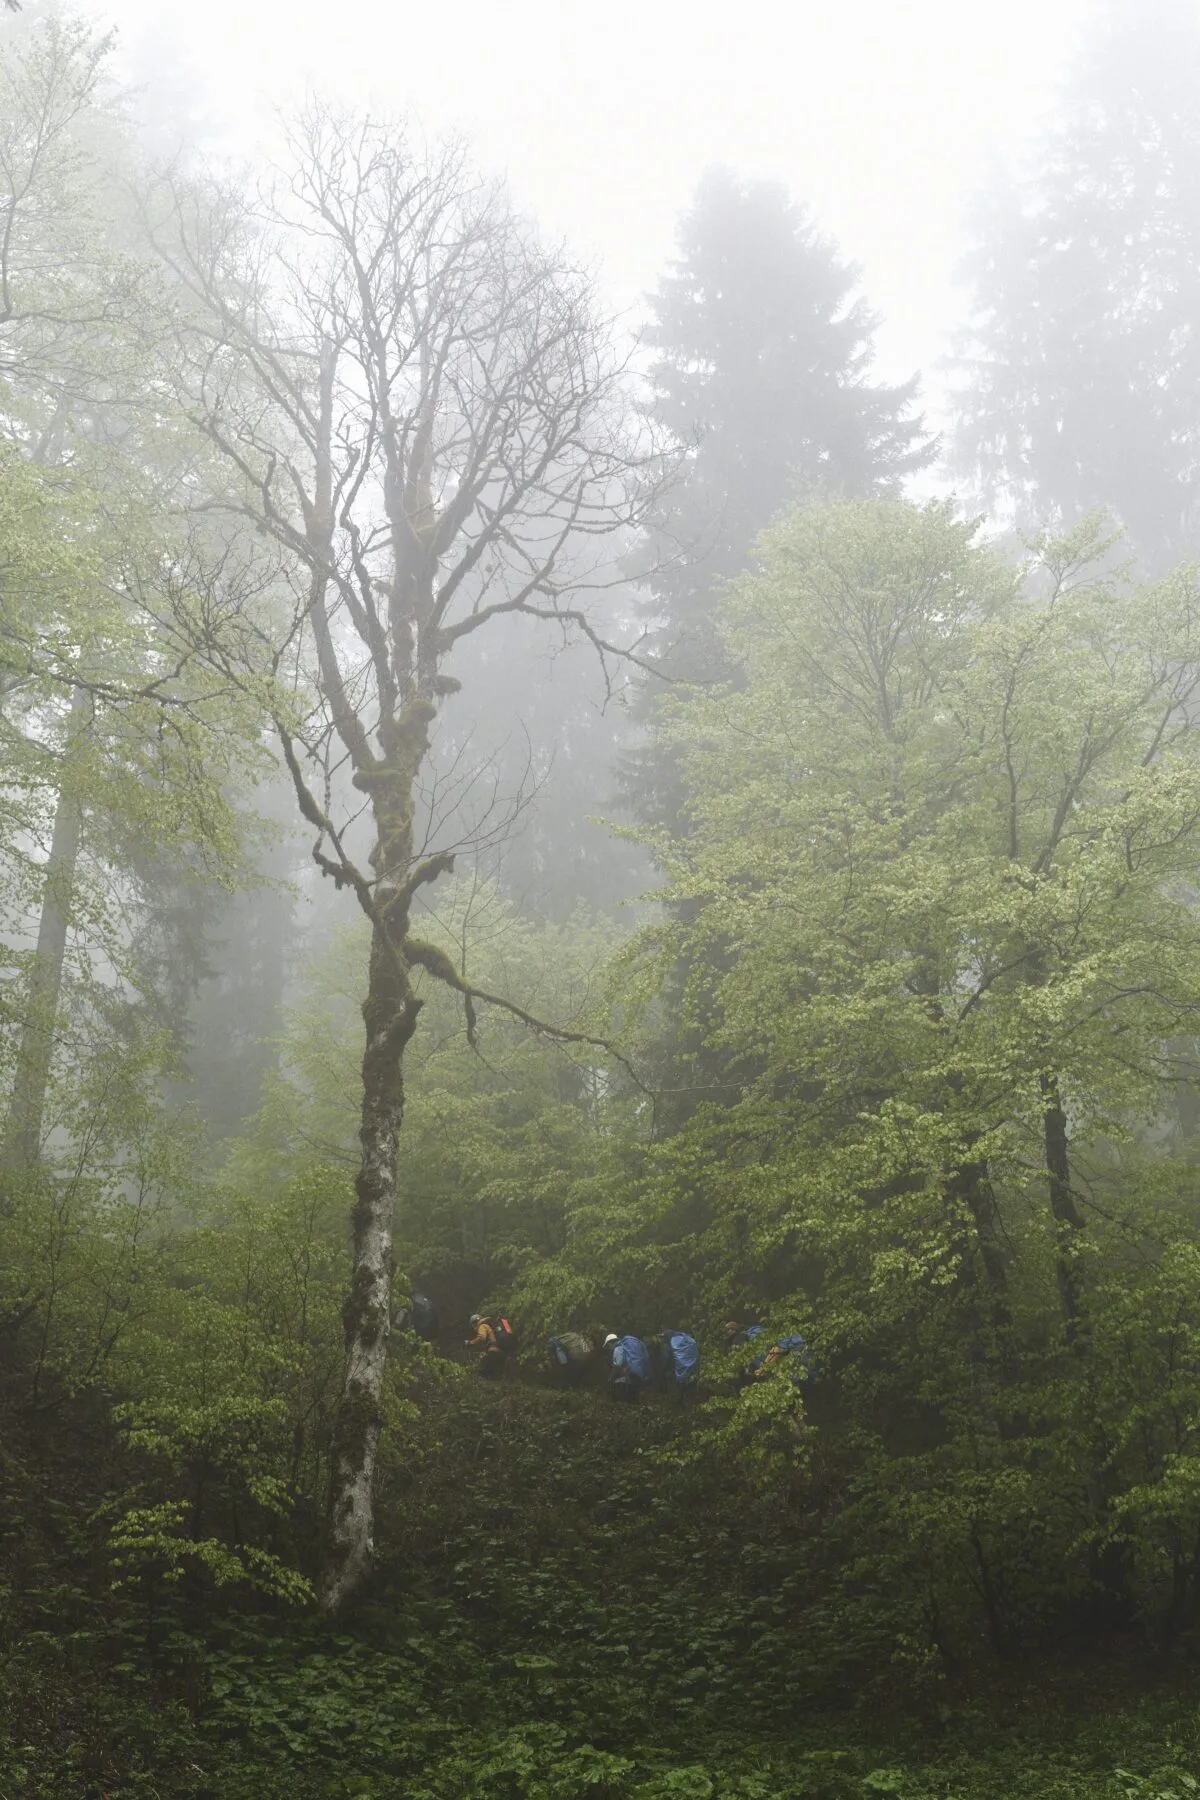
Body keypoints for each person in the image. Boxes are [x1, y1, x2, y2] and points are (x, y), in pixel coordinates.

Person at [605, 1332, 652, 1404]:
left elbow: (617, 1364)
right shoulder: (627, 1346)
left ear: (610, 1343)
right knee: (635, 1398)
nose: (608, 1347)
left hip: (630, 1374)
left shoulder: (618, 1348)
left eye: (607, 1345)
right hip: (640, 1372)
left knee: (628, 1399)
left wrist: (611, 1376)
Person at [465, 1313, 513, 1380]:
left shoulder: (482, 1326)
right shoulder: (490, 1327)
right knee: (496, 1378)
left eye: (472, 1326)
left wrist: (470, 1342)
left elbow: (481, 1338)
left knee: (482, 1374)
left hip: (493, 1353)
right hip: (502, 1354)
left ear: (474, 1324)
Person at [660, 1330, 701, 1406]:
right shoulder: (685, 1338)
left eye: (664, 1338)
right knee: (690, 1388)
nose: (662, 1340)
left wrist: (664, 1371)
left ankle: (679, 1403)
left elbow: (668, 1359)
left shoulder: (671, 1343)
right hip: (695, 1366)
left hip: (682, 1369)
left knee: (679, 1386)